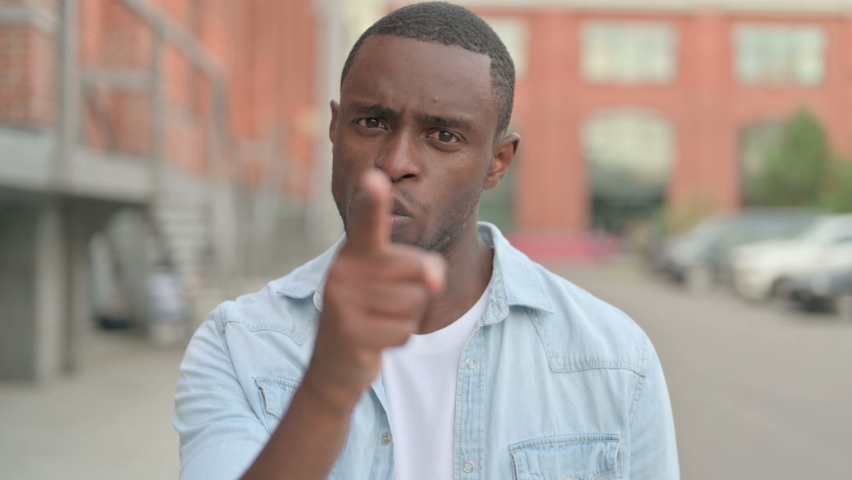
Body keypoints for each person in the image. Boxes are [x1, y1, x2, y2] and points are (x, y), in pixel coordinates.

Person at [173, 3, 679, 479]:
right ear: (334, 128)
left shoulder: (614, 359)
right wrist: (328, 387)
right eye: (371, 123)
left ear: (497, 163)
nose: (395, 163)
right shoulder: (240, 345)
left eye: (443, 136)